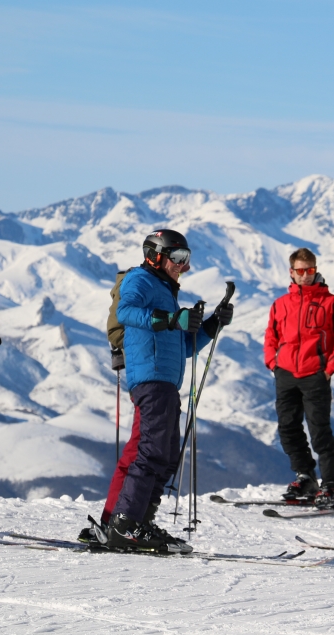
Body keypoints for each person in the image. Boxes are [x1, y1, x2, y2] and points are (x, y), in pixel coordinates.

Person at [88, 229, 234, 553]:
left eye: (187, 260)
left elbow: (183, 348)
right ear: (155, 255)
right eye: (178, 258)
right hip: (151, 379)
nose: (183, 266)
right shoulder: (140, 279)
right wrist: (170, 318)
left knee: (166, 455)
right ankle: (125, 524)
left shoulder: (167, 290)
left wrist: (212, 324)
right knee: (152, 452)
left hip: (166, 381)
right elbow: (126, 312)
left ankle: (140, 521)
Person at [264, 247, 334, 508]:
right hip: (285, 373)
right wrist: (273, 363)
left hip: (315, 374)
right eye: (301, 271)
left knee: (319, 431)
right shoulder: (280, 304)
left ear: (316, 270)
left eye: (310, 271)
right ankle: (305, 477)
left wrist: (329, 368)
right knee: (288, 428)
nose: (305, 276)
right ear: (291, 272)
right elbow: (271, 336)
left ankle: (332, 485)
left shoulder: (333, 303)